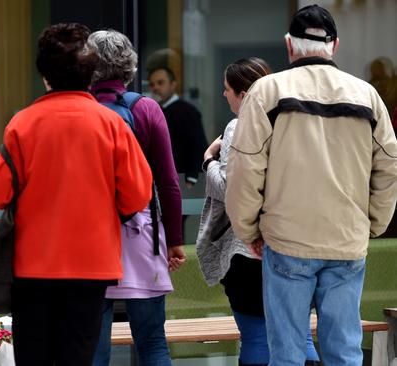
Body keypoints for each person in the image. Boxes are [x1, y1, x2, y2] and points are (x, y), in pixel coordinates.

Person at [224, 5, 397, 365]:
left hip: (287, 240)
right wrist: (374, 222)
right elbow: (389, 166)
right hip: (346, 240)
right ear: (335, 45)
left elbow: (245, 169)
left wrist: (248, 228)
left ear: (289, 45)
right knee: (344, 352)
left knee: (286, 352)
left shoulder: (266, 92)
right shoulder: (367, 96)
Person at [0, 23, 152, 366]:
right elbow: (137, 195)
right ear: (90, 75)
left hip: (33, 268)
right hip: (92, 266)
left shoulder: (24, 124)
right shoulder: (112, 125)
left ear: (45, 75)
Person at [197, 57, 320, 366]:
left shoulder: (239, 126)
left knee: (255, 337)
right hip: (295, 245)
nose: (224, 95)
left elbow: (229, 188)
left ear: (242, 93)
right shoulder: (296, 123)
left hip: (248, 251)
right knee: (301, 335)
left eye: (227, 89)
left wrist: (208, 159)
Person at [88, 30, 185, 366]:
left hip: (89, 243)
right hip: (141, 237)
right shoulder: (147, 109)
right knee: (153, 344)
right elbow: (169, 183)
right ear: (128, 66)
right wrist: (174, 240)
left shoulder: (80, 112)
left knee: (93, 352)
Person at [148, 66, 207, 188]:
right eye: (152, 84)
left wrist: (191, 178)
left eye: (160, 82)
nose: (155, 88)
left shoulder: (187, 111)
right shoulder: (153, 110)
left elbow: (197, 145)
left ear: (173, 84)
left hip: (181, 181)